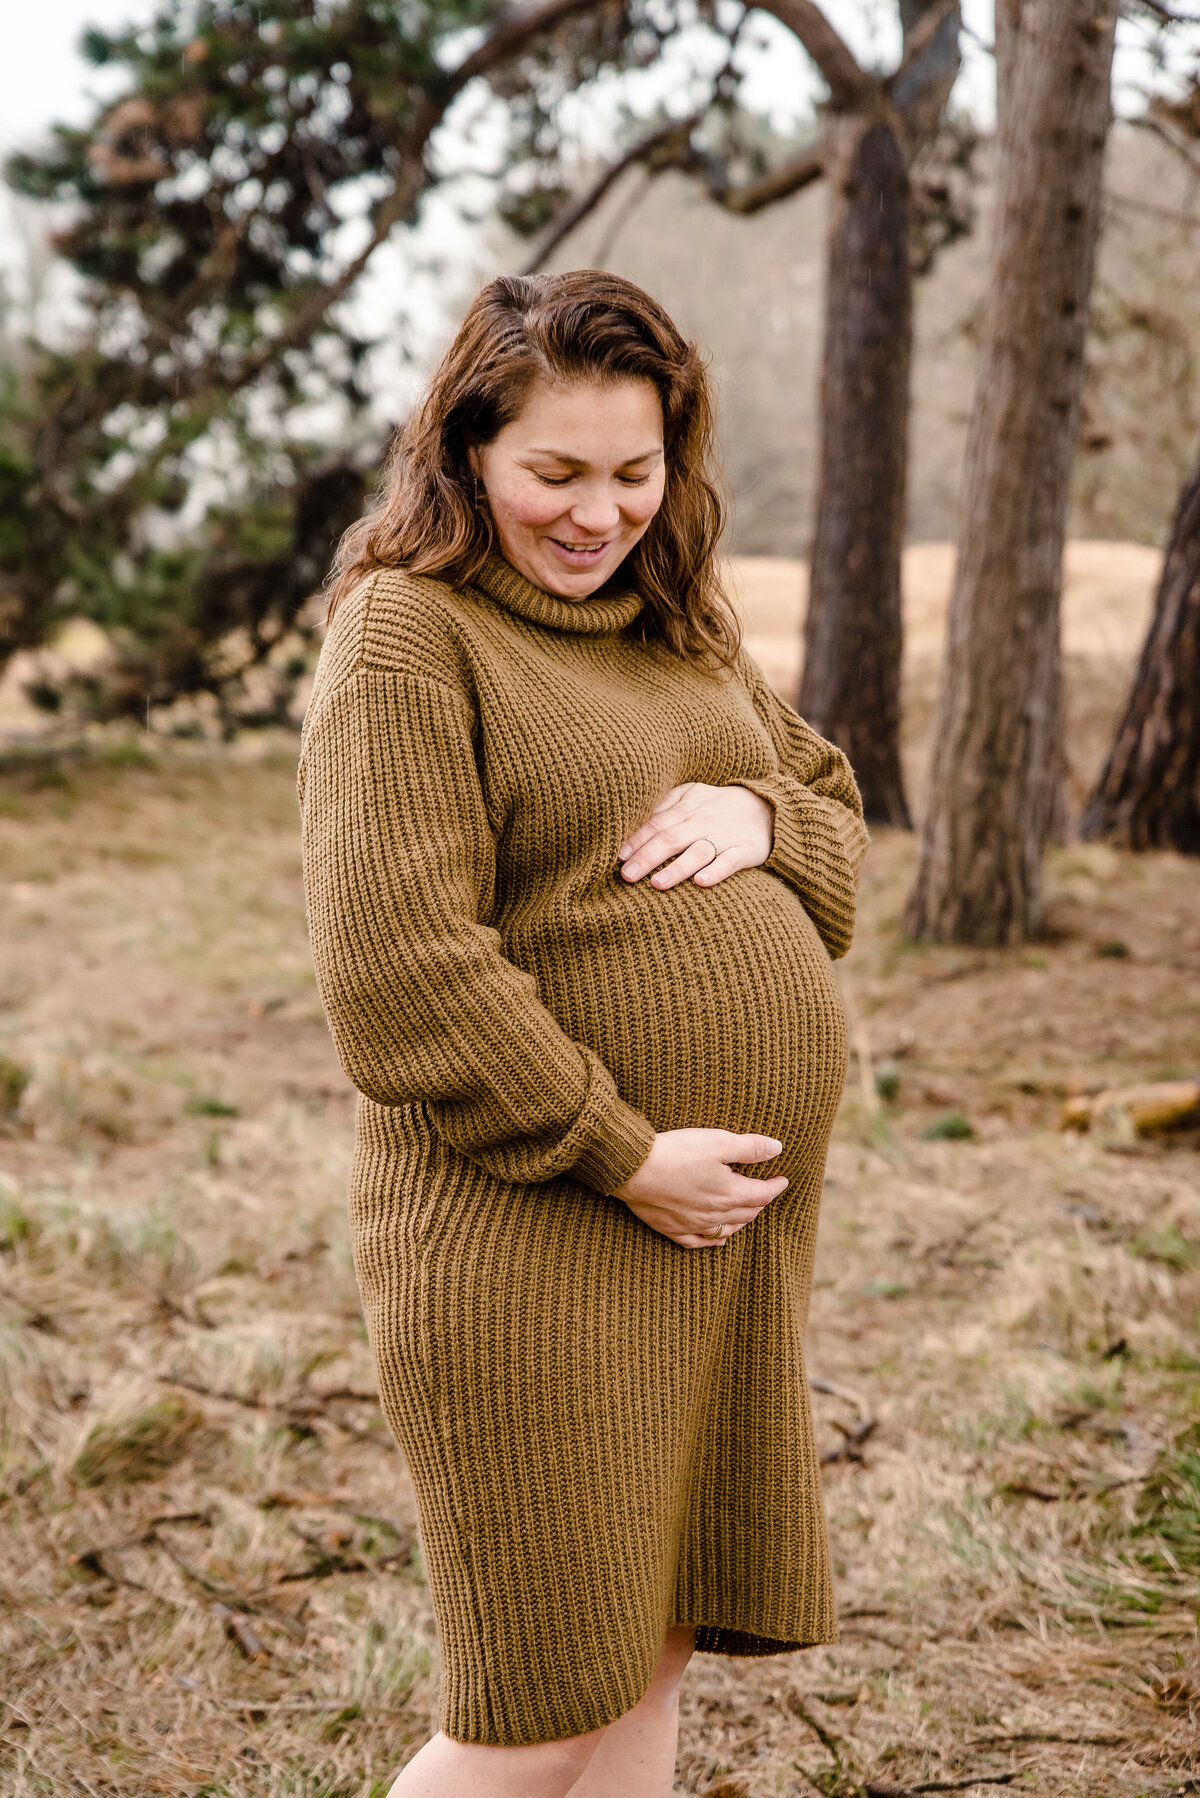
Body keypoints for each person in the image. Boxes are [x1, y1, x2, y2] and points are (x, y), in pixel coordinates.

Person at [298, 268, 868, 1798]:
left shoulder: (674, 625)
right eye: (555, 471)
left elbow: (837, 812)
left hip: (719, 1247)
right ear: (468, 452)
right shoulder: (412, 641)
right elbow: (399, 965)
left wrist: (758, 812)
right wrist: (621, 1152)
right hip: (537, 1232)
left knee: (651, 1648)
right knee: (537, 1697)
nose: (596, 512)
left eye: (635, 470)